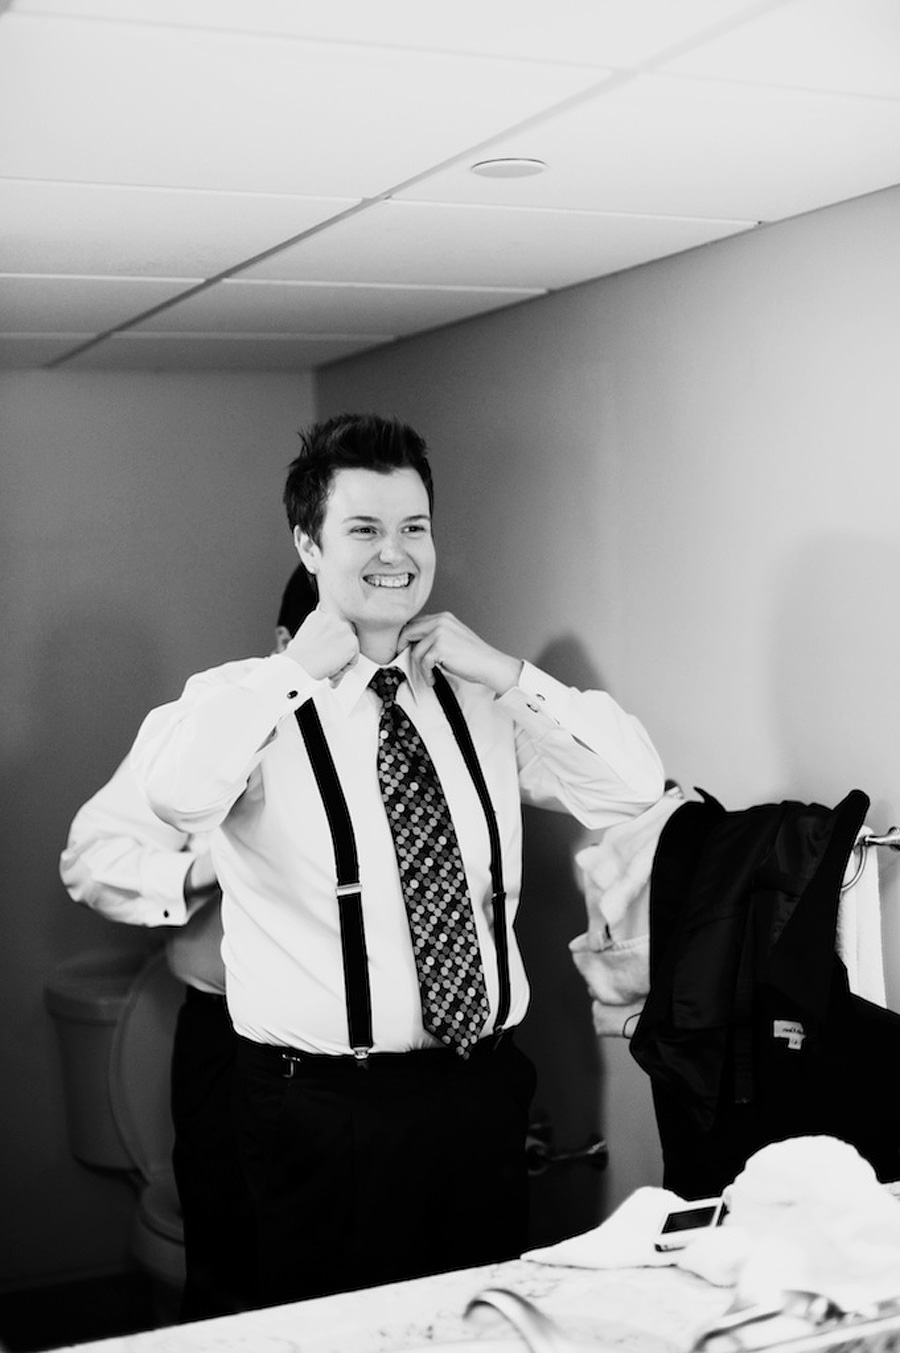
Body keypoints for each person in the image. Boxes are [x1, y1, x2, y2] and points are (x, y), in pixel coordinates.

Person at [131, 412, 665, 1306]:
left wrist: (507, 671)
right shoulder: (242, 700)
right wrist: (291, 672)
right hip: (318, 1110)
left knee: (474, 1323)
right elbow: (174, 795)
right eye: (364, 528)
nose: (396, 552)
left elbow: (631, 784)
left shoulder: (479, 697)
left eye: (414, 526)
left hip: (480, 1089)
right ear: (309, 543)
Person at [59, 565, 316, 1320]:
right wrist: (206, 866)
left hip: (378, 1067)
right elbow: (92, 858)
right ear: (283, 644)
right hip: (231, 1049)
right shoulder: (213, 724)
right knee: (232, 1273)